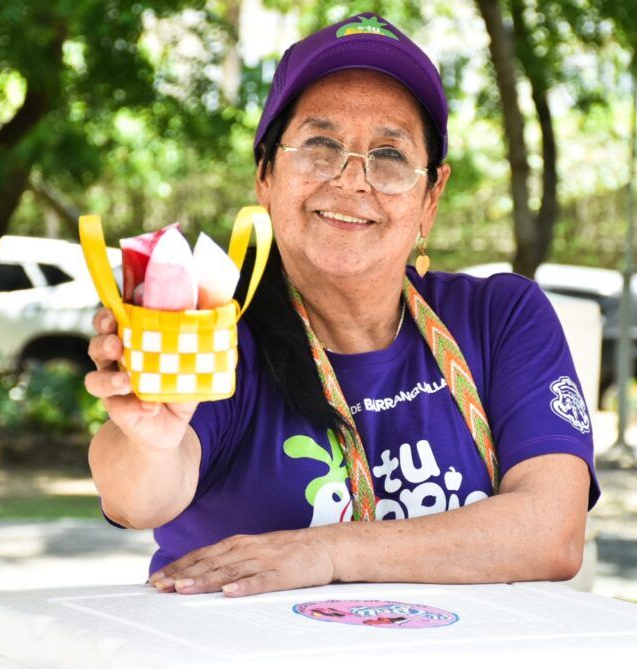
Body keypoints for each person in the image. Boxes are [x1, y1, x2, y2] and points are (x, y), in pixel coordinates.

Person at [85, 12, 599, 598]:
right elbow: (137, 499)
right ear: (266, 176)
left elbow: (552, 531)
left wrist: (326, 550)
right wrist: (149, 439)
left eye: (389, 156)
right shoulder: (216, 326)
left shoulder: (500, 318)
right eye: (320, 146)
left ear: (431, 196)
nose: (353, 181)